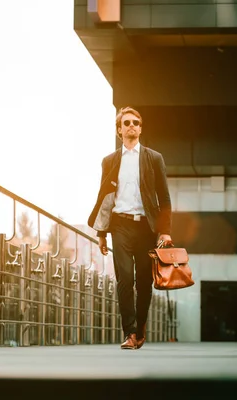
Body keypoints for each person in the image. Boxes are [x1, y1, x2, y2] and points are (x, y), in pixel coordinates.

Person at [88, 106, 172, 350]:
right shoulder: (110, 161)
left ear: (141, 128)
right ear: (119, 130)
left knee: (144, 281)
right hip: (120, 225)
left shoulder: (154, 158)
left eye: (136, 122)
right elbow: (104, 197)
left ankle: (141, 327)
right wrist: (102, 233)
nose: (132, 126)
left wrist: (164, 231)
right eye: (127, 123)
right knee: (125, 279)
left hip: (147, 227)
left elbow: (164, 198)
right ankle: (130, 333)